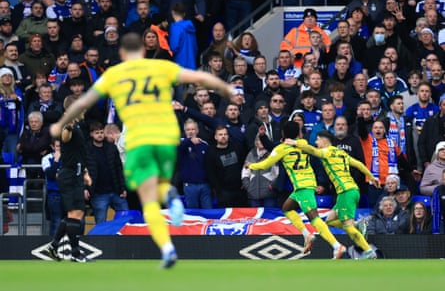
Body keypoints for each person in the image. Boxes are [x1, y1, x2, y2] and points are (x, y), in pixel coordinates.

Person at [47, 32, 235, 268]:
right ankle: (171, 199)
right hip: (167, 135)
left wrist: (58, 124)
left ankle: (167, 246)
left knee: (148, 199)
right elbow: (198, 76)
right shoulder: (160, 66)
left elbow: (84, 102)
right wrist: (227, 89)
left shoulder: (115, 74)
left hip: (139, 140)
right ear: (143, 51)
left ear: (122, 53)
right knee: (161, 184)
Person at [247, 121, 347, 259]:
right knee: (287, 208)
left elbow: (266, 164)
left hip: (302, 187)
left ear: (283, 133)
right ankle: (307, 235)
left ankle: (337, 246)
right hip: (308, 183)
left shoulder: (282, 148)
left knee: (314, 218)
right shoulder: (303, 143)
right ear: (298, 133)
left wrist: (251, 166)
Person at [285, 130, 380, 259]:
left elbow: (313, 151)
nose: (316, 142)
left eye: (318, 139)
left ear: (324, 140)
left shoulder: (326, 151)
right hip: (350, 191)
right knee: (329, 220)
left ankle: (369, 251)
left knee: (348, 227)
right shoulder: (341, 152)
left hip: (346, 192)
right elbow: (358, 164)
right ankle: (358, 224)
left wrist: (295, 143)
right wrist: (372, 177)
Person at [43, 97, 93, 263]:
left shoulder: (77, 125)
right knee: (75, 214)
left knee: (75, 214)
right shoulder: (69, 123)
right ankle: (75, 253)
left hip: (76, 173)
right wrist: (69, 128)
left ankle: (54, 246)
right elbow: (64, 137)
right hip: (69, 175)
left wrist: (85, 172)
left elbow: (77, 152)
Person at [41, 138, 63, 236]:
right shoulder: (46, 158)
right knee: (56, 223)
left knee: (74, 223)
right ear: (52, 147)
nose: (60, 149)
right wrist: (56, 160)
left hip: (69, 194)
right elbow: (50, 174)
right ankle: (53, 248)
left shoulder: (70, 157)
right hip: (55, 195)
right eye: (58, 146)